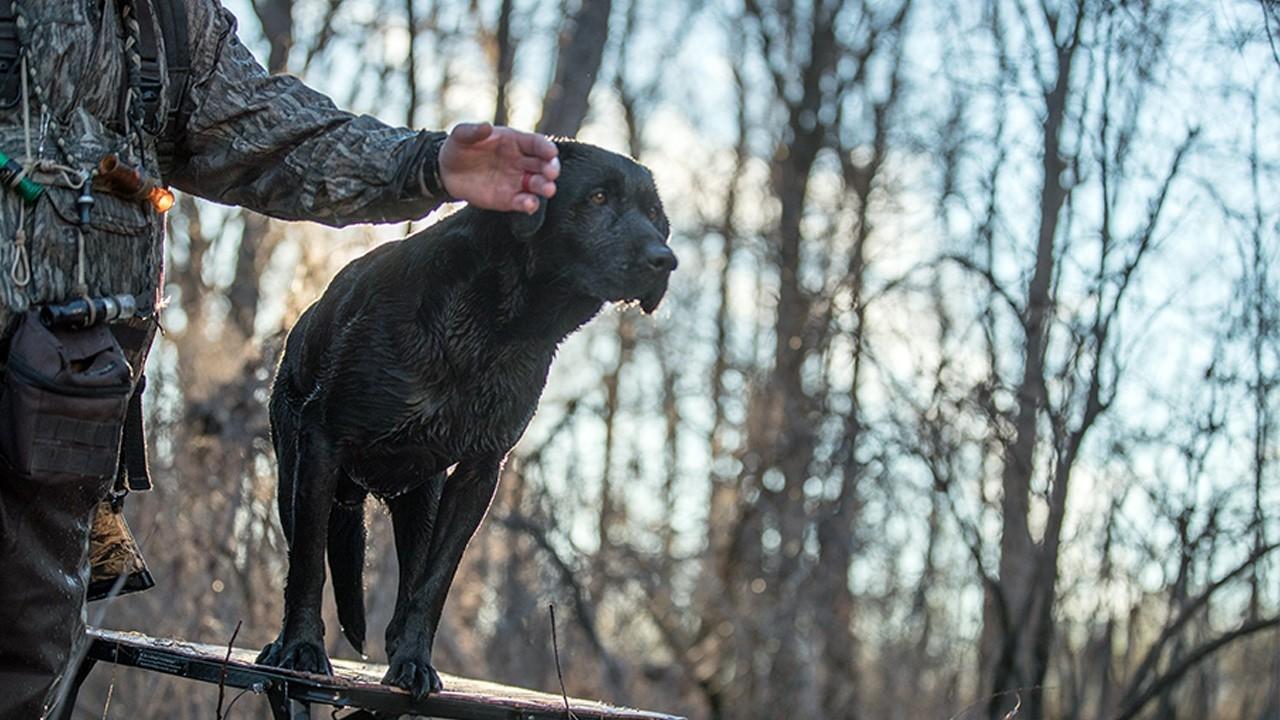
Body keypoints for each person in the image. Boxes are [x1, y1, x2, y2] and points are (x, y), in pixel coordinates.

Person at [0, 0, 559, 716]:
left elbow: (262, 131)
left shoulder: (164, 18)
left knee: (26, 656)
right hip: (58, 398)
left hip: (65, 410)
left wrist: (428, 164)